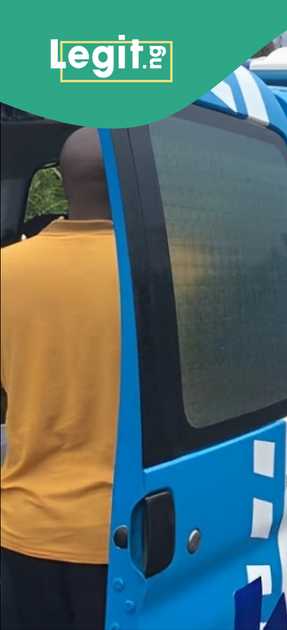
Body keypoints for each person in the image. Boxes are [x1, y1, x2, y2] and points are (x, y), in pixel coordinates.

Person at [1, 127, 119, 630]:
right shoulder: (175, 269)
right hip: (129, 531)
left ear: (63, 183)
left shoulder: (5, 271)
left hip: (22, 527)